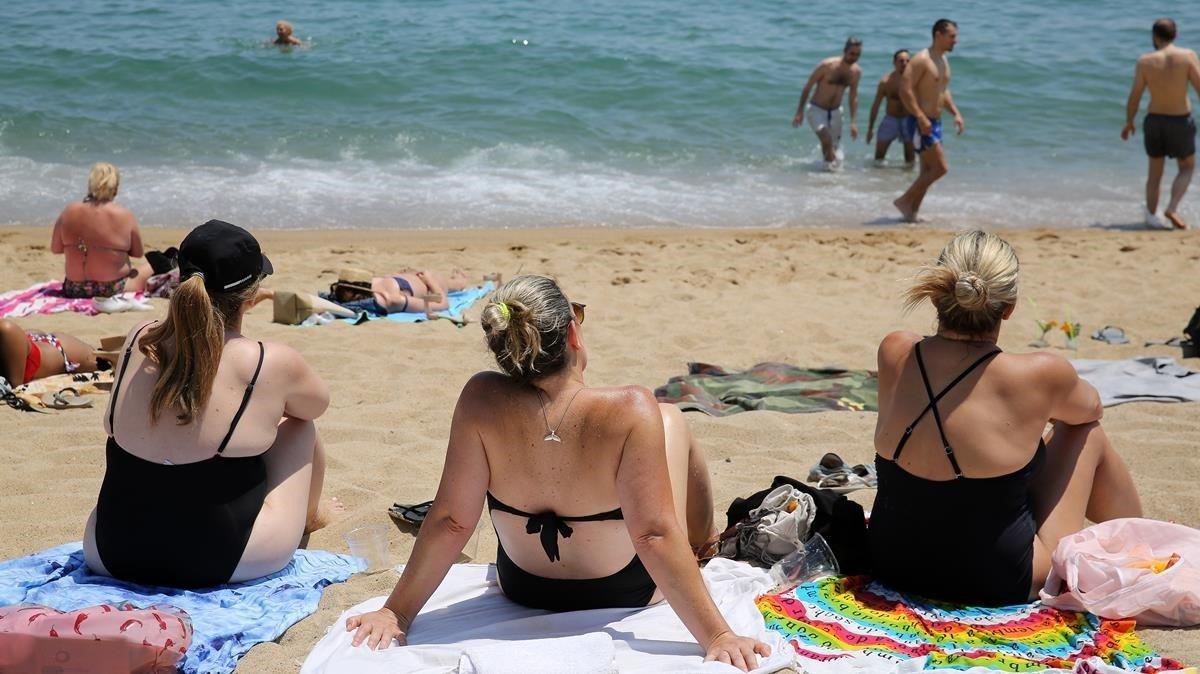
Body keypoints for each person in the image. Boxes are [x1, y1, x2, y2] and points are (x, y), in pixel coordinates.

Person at [343, 275, 771, 670]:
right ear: (571, 331)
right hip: (626, 588)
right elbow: (653, 535)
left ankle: (701, 541)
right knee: (672, 418)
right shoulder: (630, 408)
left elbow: (453, 521)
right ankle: (704, 543)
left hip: (525, 585)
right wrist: (717, 634)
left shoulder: (479, 398)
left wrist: (395, 611)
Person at [868, 230, 1143, 605]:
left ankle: (1141, 540)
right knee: (1086, 433)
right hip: (998, 581)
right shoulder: (1038, 373)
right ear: (1008, 307)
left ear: (936, 295)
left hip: (893, 565)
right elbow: (1091, 408)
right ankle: (1144, 546)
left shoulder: (895, 349)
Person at [83, 219, 333, 588]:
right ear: (252, 295)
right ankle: (307, 518)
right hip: (223, 559)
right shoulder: (268, 360)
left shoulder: (140, 338)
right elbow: (314, 406)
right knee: (298, 426)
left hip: (109, 551)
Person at [1122, 18, 1200, 230]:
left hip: (1155, 121)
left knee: (1154, 173)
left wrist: (1129, 122)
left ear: (1155, 36)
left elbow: (1135, 96)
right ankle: (1172, 208)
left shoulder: (1145, 61)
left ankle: (1152, 217)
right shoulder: (1188, 56)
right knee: (1187, 167)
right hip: (1180, 120)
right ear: (1175, 35)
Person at [893, 20, 965, 223]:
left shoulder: (942, 60)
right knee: (940, 168)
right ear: (938, 35)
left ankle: (911, 214)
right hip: (920, 123)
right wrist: (920, 117)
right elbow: (904, 90)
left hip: (935, 121)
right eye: (952, 36)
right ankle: (904, 200)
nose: (955, 41)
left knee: (927, 170)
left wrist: (955, 113)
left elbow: (942, 91)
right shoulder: (921, 60)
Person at [51, 163, 152, 298]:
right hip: (113, 288)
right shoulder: (124, 215)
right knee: (155, 264)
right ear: (115, 188)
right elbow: (138, 253)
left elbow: (56, 249)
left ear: (90, 185)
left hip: (74, 288)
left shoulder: (69, 211)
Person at [791, 37, 863, 171]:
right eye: (852, 53)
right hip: (816, 110)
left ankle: (826, 176)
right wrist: (799, 111)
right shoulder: (826, 66)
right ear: (845, 51)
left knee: (832, 148)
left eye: (858, 54)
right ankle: (832, 173)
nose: (854, 57)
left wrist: (853, 122)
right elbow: (808, 87)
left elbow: (853, 96)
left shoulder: (856, 72)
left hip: (836, 112)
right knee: (826, 140)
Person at [0, 319, 105, 386]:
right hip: (31, 343)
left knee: (105, 361)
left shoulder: (7, 329)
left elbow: (14, 386)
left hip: (63, 351)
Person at [329, 268, 472, 314]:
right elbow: (442, 303)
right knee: (456, 284)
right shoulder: (393, 299)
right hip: (427, 284)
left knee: (456, 283)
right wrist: (430, 281)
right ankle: (459, 278)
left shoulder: (370, 283)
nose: (339, 294)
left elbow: (443, 304)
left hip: (417, 278)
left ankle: (459, 276)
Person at [865, 50, 916, 167]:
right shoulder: (886, 81)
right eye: (901, 61)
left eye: (908, 61)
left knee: (910, 161)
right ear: (894, 62)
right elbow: (876, 105)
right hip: (890, 120)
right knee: (878, 159)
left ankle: (906, 182)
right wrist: (870, 129)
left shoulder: (915, 81)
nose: (904, 63)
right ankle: (878, 181)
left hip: (909, 120)